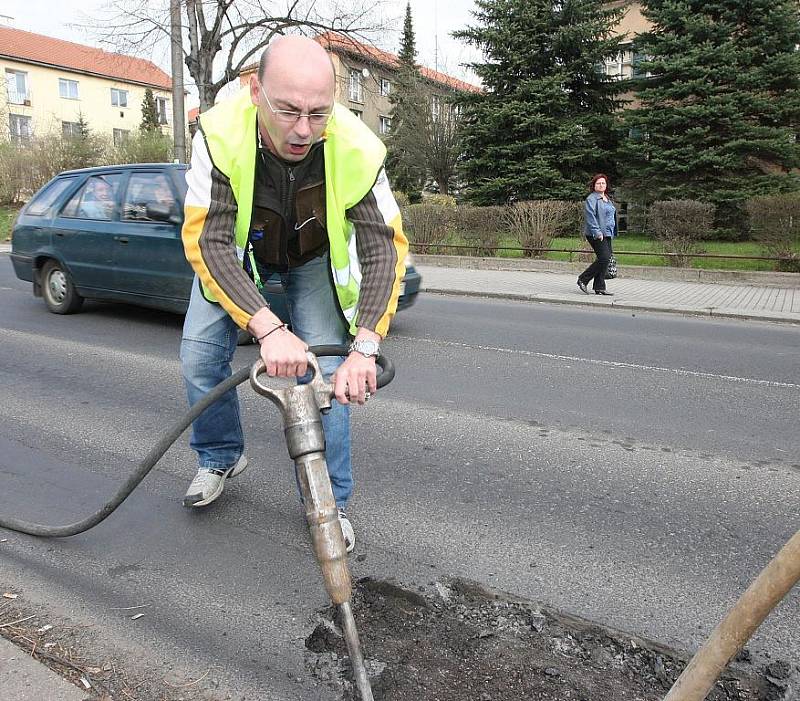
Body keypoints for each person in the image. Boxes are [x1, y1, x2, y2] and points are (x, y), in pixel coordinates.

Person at [179, 35, 408, 553]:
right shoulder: (217, 133)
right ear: (256, 90)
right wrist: (268, 329)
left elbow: (383, 249)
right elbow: (208, 240)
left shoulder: (358, 147)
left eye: (318, 113)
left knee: (331, 377)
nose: (304, 130)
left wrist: (365, 346)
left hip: (310, 256)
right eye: (288, 111)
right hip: (238, 253)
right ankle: (219, 456)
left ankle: (331, 503)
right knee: (197, 356)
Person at [577, 173, 617, 296]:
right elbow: (591, 217)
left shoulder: (607, 198)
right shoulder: (592, 199)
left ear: (606, 185)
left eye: (603, 183)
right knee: (604, 258)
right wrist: (597, 232)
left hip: (608, 233)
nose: (601, 185)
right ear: (594, 185)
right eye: (598, 183)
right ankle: (583, 279)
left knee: (605, 259)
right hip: (596, 233)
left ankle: (599, 287)